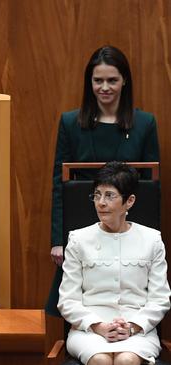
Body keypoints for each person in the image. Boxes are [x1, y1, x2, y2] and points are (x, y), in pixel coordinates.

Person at [46, 45, 160, 316]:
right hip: (82, 223)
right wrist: (57, 239)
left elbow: (150, 187)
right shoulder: (71, 122)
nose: (104, 87)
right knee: (77, 300)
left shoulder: (144, 123)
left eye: (112, 80)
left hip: (127, 225)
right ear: (90, 82)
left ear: (124, 81)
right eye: (98, 80)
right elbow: (59, 185)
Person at [58, 161, 170, 365]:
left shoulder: (152, 240)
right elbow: (68, 300)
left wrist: (132, 327)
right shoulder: (78, 239)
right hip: (89, 331)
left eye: (109, 195)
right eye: (97, 195)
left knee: (126, 360)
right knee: (100, 360)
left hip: (137, 332)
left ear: (129, 201)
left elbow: (160, 299)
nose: (101, 202)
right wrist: (98, 326)